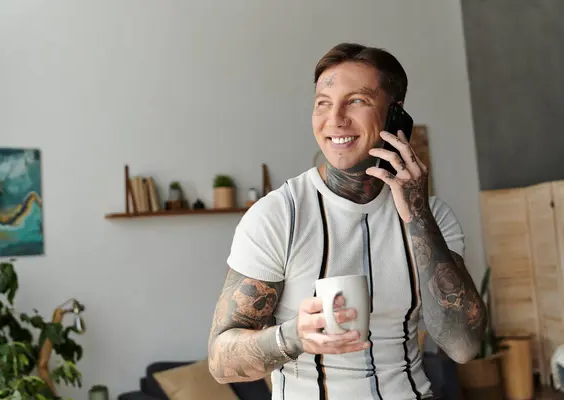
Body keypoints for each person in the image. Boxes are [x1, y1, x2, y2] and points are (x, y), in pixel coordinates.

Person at [207, 42, 487, 400]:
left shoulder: (434, 217)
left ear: (394, 114)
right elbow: (220, 361)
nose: (335, 119)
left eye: (357, 101)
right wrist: (294, 336)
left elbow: (463, 345)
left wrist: (417, 213)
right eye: (323, 103)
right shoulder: (278, 216)